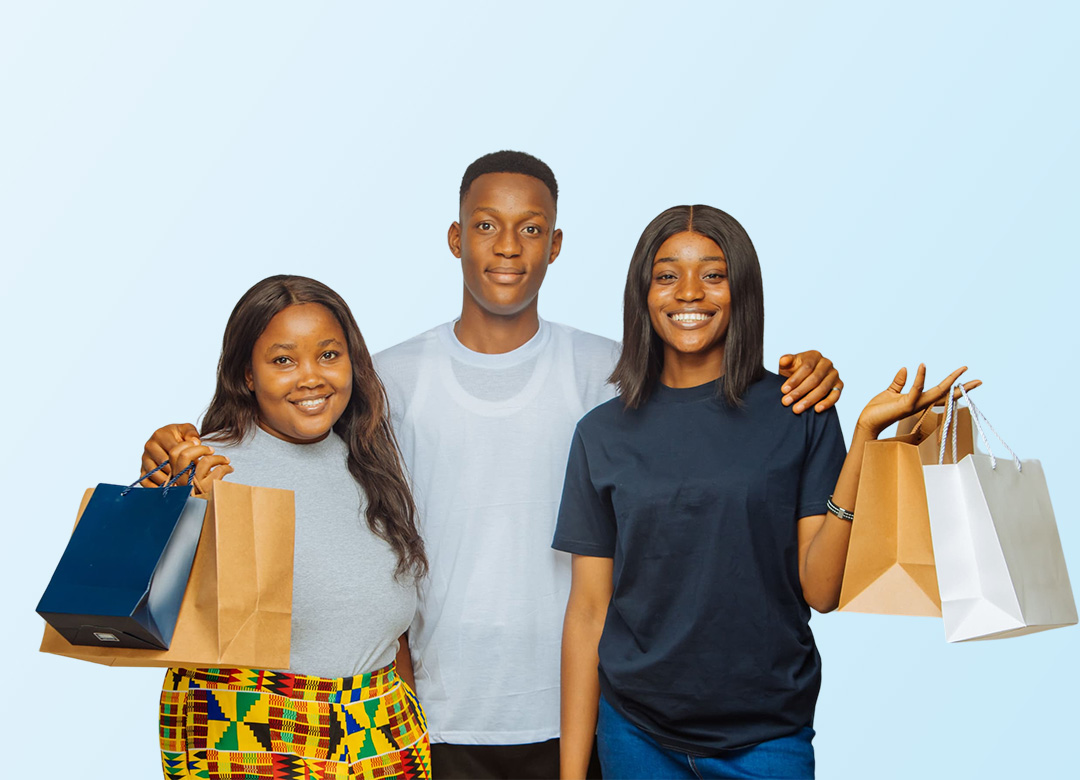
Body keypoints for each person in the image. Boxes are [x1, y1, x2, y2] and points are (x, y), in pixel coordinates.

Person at [141, 152, 844, 779]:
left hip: (582, 708)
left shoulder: (611, 374)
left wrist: (801, 373)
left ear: (556, 244)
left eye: (531, 228)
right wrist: (169, 455)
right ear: (455, 237)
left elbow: (706, 381)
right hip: (430, 717)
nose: (508, 246)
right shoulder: (386, 383)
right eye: (485, 226)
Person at [553, 205, 978, 779]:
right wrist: (573, 774)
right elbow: (587, 612)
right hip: (635, 736)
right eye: (666, 274)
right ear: (643, 293)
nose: (689, 293)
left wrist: (862, 440)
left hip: (767, 740)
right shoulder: (599, 435)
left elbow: (821, 591)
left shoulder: (797, 410)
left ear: (741, 290)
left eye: (713, 273)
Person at [157, 275, 431, 780]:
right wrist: (174, 500)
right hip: (247, 721)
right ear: (246, 374)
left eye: (329, 354)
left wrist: (409, 715)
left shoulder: (373, 459)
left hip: (383, 724)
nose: (311, 377)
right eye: (283, 360)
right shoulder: (210, 466)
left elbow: (393, 628)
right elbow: (155, 604)